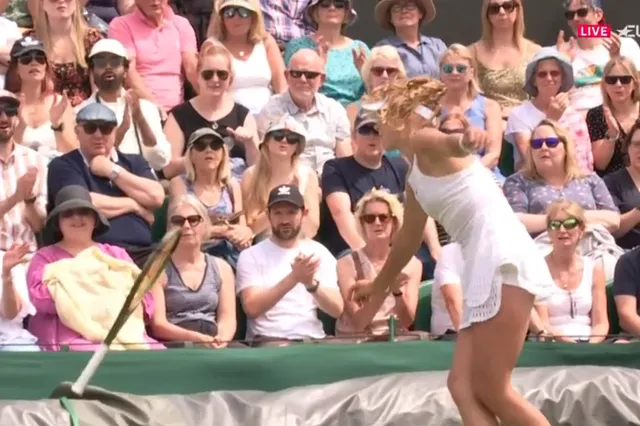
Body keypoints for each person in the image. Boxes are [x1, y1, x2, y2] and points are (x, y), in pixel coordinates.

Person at [352, 76, 553, 425]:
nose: (373, 129)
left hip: (502, 257)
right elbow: (407, 241)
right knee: (461, 385)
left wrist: (467, 139)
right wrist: (377, 285)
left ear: (402, 116)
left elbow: (454, 144)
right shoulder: (415, 178)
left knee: (493, 389)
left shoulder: (423, 138)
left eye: (377, 120)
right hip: (482, 265)